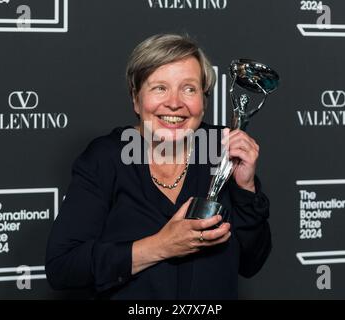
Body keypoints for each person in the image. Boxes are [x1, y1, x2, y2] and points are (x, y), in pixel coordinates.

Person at [45, 34, 271, 299]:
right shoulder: (105, 158)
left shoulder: (222, 149)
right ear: (136, 98)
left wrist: (246, 188)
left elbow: (251, 262)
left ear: (204, 101)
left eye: (189, 89)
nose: (174, 103)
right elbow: (63, 267)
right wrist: (162, 245)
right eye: (159, 88)